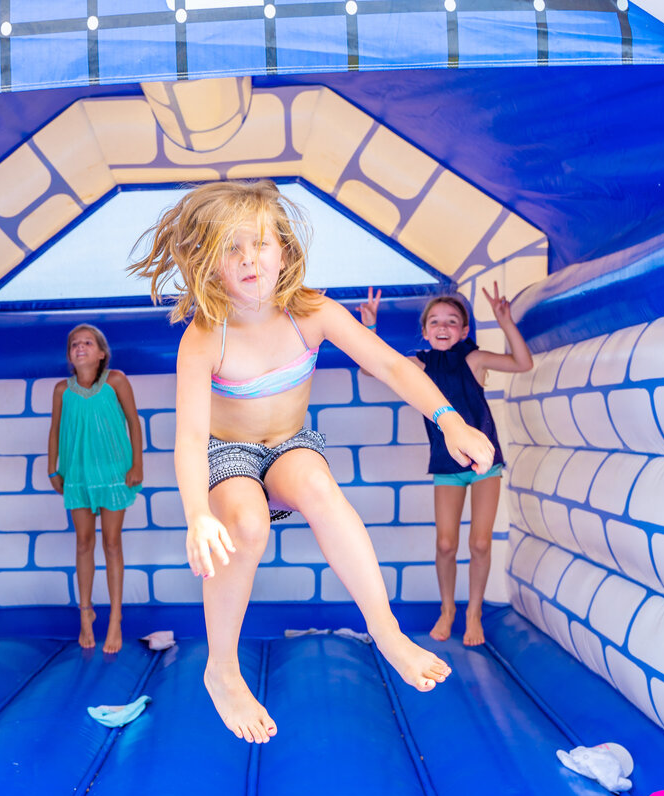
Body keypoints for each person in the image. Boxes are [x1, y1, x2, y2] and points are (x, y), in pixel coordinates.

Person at [128, 180, 495, 744]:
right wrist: (197, 514)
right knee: (246, 525)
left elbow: (396, 368)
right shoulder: (206, 335)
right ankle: (221, 668)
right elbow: (190, 434)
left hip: (290, 444)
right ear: (210, 261)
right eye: (233, 247)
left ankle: (388, 632)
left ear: (285, 251)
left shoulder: (313, 312)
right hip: (228, 455)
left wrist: (451, 420)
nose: (250, 258)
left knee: (319, 486)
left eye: (262, 243)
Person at [357, 283, 532, 646]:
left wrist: (505, 321)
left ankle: (473, 613)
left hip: (486, 463)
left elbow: (522, 363)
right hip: (446, 465)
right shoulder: (419, 365)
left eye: (452, 322)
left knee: (480, 543)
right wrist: (370, 329)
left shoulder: (475, 359)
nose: (442, 327)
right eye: (434, 321)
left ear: (464, 331)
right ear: (424, 331)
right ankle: (448, 609)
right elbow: (373, 370)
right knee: (446, 544)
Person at [46, 323, 144, 654]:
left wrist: (137, 465)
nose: (81, 346)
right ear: (69, 356)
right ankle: (85, 612)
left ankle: (115, 618)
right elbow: (55, 430)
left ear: (101, 353)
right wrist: (52, 468)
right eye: (75, 344)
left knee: (112, 543)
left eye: (88, 342)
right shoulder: (62, 389)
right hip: (77, 473)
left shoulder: (116, 381)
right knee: (84, 542)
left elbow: (134, 422)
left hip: (115, 471)